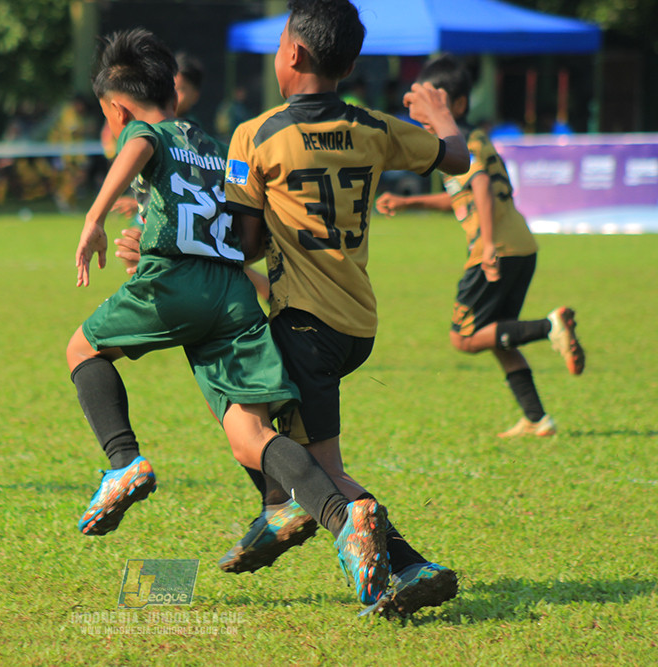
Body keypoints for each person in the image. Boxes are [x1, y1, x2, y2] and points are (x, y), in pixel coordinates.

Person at [68, 27, 391, 607]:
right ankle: (341, 521)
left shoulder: (143, 132)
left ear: (115, 108)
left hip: (177, 284)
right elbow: (243, 220)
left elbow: (141, 142)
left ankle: (123, 463)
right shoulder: (223, 149)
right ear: (175, 86)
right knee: (252, 436)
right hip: (233, 293)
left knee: (82, 350)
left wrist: (95, 217)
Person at [222, 0, 470, 617]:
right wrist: (442, 118)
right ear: (350, 62)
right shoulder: (374, 128)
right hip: (356, 322)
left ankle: (407, 564)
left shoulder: (256, 135)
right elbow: (456, 159)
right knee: (269, 428)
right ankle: (279, 509)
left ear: (293, 54)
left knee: (261, 434)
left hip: (303, 322)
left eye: (279, 42)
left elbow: (243, 242)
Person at [375, 54, 585, 438]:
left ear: (453, 104)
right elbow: (465, 196)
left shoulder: (467, 143)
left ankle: (550, 326)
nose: (422, 114)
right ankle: (538, 419)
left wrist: (487, 244)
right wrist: (408, 203)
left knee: (465, 337)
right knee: (497, 336)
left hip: (497, 250)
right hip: (521, 246)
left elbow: (483, 187)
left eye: (430, 104)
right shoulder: (471, 142)